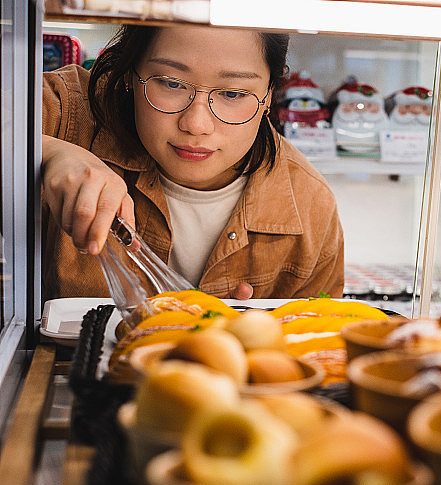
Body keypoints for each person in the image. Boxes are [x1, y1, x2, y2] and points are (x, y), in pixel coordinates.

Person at [41, 25, 344, 302]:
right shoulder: (68, 114)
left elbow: (320, 338)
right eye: (172, 84)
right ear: (130, 76)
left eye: (233, 93)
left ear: (268, 96)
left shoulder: (310, 207)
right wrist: (46, 150)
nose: (196, 124)